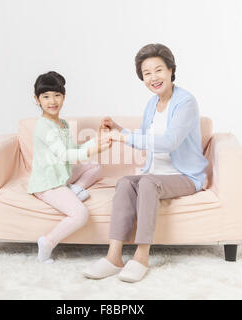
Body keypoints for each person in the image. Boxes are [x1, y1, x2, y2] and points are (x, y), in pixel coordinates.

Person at [82, 43, 209, 282]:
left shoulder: (186, 102)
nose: (153, 77)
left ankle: (141, 256)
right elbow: (142, 137)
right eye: (147, 73)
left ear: (171, 70)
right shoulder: (152, 104)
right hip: (155, 173)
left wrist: (122, 136)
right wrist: (117, 129)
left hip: (185, 176)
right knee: (125, 183)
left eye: (158, 70)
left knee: (147, 183)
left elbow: (169, 142)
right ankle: (113, 257)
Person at [27, 71, 112, 263]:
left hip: (62, 175)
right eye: (46, 96)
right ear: (37, 99)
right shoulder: (43, 127)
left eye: (57, 95)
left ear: (64, 97)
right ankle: (47, 242)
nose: (52, 101)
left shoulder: (62, 124)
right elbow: (65, 155)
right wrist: (93, 149)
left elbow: (75, 150)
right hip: (48, 183)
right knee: (80, 214)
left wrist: (97, 140)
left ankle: (75, 190)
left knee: (95, 166)